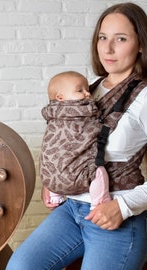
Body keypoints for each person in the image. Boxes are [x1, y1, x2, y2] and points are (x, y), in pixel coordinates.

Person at [6, 2, 147, 270]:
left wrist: (123, 206)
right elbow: (66, 142)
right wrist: (57, 177)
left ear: (140, 45)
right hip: (72, 210)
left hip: (116, 217)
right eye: (103, 37)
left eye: (121, 39)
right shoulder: (88, 89)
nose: (108, 48)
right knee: (20, 267)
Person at [40, 71, 111, 209]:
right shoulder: (86, 111)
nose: (87, 94)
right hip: (78, 173)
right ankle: (100, 202)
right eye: (80, 90)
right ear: (60, 97)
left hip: (51, 176)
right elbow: (96, 127)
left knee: (53, 157)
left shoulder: (52, 116)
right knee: (99, 170)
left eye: (87, 89)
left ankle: (55, 196)